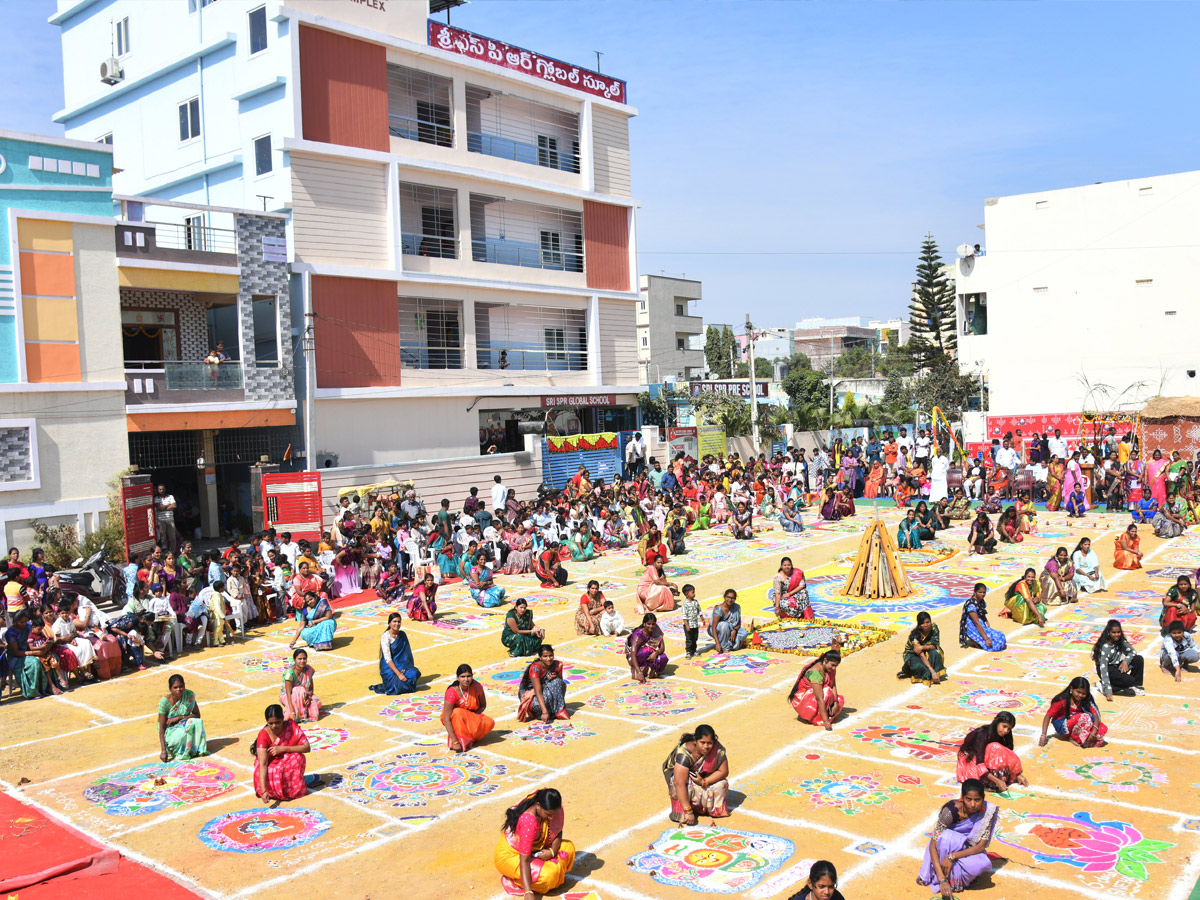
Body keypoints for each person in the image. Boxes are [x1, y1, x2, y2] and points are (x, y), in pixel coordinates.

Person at [916, 778, 998, 899]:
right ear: (962, 798)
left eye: (977, 800)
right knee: (946, 837)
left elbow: (980, 847)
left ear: (983, 799)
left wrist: (952, 856)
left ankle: (954, 876)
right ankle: (944, 875)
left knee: (982, 863)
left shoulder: (987, 812)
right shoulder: (949, 812)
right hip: (944, 848)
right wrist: (942, 880)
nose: (973, 804)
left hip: (965, 850)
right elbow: (933, 845)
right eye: (968, 799)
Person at [493, 788, 575, 898]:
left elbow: (557, 831)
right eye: (548, 815)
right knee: (549, 876)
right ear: (538, 805)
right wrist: (528, 892)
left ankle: (545, 869)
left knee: (568, 847)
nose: (551, 818)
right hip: (512, 856)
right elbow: (524, 860)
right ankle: (518, 880)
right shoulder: (529, 822)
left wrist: (552, 852)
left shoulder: (554, 809)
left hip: (534, 850)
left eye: (554, 815)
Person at [662, 724, 729, 824]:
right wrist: (688, 812)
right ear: (695, 741)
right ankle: (686, 807)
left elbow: (723, 771)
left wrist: (704, 781)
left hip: (701, 777)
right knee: (678, 783)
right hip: (681, 779)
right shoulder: (684, 753)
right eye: (702, 742)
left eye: (709, 743)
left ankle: (705, 808)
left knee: (722, 784)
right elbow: (679, 783)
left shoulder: (717, 750)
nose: (706, 747)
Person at [253, 704, 314, 801]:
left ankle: (292, 790)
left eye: (277, 722)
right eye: (270, 723)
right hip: (270, 765)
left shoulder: (291, 727)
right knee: (274, 770)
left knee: (298, 758)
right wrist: (263, 791)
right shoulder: (263, 734)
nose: (274, 726)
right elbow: (263, 764)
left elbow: (306, 747)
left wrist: (283, 749)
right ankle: (273, 791)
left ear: (283, 719)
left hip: (286, 759)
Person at [956, 712, 1026, 792]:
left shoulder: (1005, 733)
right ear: (997, 722)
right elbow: (980, 763)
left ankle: (995, 777)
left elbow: (1008, 754)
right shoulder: (984, 734)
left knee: (999, 749)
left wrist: (1017, 774)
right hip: (970, 759)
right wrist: (997, 781)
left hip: (984, 756)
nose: (1006, 731)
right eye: (1004, 726)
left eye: (1009, 729)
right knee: (994, 747)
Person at [1039, 676, 1106, 748]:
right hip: (1063, 724)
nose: (1081, 695)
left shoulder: (1086, 699)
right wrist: (1043, 735)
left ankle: (1083, 739)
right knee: (1085, 717)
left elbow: (1095, 715)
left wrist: (1094, 731)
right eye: (1078, 692)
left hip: (1078, 722)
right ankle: (1074, 737)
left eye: (1084, 693)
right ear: (1071, 689)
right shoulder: (1062, 700)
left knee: (1102, 728)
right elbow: (1048, 716)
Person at [442, 664, 494, 752]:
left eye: (468, 676)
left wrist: (471, 718)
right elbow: (446, 718)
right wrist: (455, 742)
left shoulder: (477, 687)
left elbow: (483, 706)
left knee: (489, 723)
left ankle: (470, 737)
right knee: (458, 713)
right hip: (454, 719)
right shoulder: (452, 692)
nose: (466, 679)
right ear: (457, 678)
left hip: (471, 715)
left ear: (472, 676)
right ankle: (460, 741)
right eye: (463, 677)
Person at [788, 650, 843, 730]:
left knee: (838, 699)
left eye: (836, 666)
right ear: (825, 660)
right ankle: (816, 717)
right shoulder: (816, 674)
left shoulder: (830, 669)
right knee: (827, 692)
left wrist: (835, 703)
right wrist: (826, 721)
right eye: (832, 665)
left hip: (817, 695)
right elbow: (819, 698)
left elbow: (833, 685)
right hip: (804, 699)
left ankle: (823, 713)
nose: (834, 668)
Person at [157, 673, 207, 761]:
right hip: (170, 730)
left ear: (184, 686)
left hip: (183, 723)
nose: (179, 690)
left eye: (181, 686)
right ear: (170, 689)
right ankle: (178, 750)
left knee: (197, 722)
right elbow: (162, 727)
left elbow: (197, 715)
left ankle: (194, 749)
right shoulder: (164, 703)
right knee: (180, 735)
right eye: (175, 687)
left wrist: (179, 718)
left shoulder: (189, 695)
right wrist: (163, 751)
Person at [1093, 619, 1145, 700]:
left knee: (1138, 659)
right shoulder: (1105, 647)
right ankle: (1105, 686)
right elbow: (1103, 669)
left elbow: (1133, 651)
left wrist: (1125, 661)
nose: (1116, 635)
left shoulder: (1121, 641)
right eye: (1113, 632)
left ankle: (1134, 685)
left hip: (1116, 665)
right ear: (1108, 632)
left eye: (1118, 632)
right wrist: (1108, 691)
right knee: (1130, 680)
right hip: (1108, 669)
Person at [370, 613, 421, 694]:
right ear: (389, 623)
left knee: (415, 673)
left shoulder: (402, 635)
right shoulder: (386, 637)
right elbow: (388, 659)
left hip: (401, 665)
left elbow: (406, 654)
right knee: (397, 684)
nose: (397, 624)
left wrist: (405, 666)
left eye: (399, 622)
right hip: (389, 668)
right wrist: (399, 674)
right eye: (394, 621)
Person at [517, 645, 569, 722]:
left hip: (544, 690)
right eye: (545, 656)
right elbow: (537, 691)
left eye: (551, 655)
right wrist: (544, 712)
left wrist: (555, 677)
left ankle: (558, 711)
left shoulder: (558, 665)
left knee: (557, 681)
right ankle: (546, 712)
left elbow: (560, 686)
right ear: (540, 657)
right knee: (538, 707)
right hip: (532, 694)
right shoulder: (535, 669)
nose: (549, 659)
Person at [897, 611, 945, 686]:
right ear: (919, 625)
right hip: (912, 654)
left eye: (928, 622)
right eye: (923, 623)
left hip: (925, 650)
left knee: (936, 652)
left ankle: (934, 673)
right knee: (921, 667)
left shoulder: (934, 629)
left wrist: (922, 647)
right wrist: (932, 670)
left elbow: (935, 645)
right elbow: (919, 653)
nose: (926, 625)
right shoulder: (915, 635)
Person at [960, 583, 1006, 651]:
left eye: (984, 592)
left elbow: (981, 612)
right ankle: (974, 639)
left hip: (980, 625)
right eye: (980, 592)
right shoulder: (971, 605)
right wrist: (986, 639)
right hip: (972, 627)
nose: (982, 594)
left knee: (1000, 636)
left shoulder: (981, 602)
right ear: (975, 592)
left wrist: (986, 621)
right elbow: (976, 623)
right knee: (995, 644)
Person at [281, 648, 320, 723]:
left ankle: (303, 711)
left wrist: (309, 697)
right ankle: (298, 714)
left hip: (304, 694)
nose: (302, 661)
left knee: (315, 702)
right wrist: (292, 712)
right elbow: (288, 694)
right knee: (298, 690)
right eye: (299, 659)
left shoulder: (309, 670)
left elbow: (311, 688)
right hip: (289, 696)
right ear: (294, 660)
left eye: (304, 659)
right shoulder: (289, 673)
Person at [626, 613, 668, 682]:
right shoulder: (638, 634)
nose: (651, 626)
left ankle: (650, 670)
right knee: (647, 650)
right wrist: (639, 672)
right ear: (644, 624)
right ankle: (640, 670)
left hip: (650, 656)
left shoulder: (656, 631)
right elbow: (633, 654)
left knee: (663, 657)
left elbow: (662, 648)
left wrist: (656, 653)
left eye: (653, 624)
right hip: (637, 657)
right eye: (648, 624)